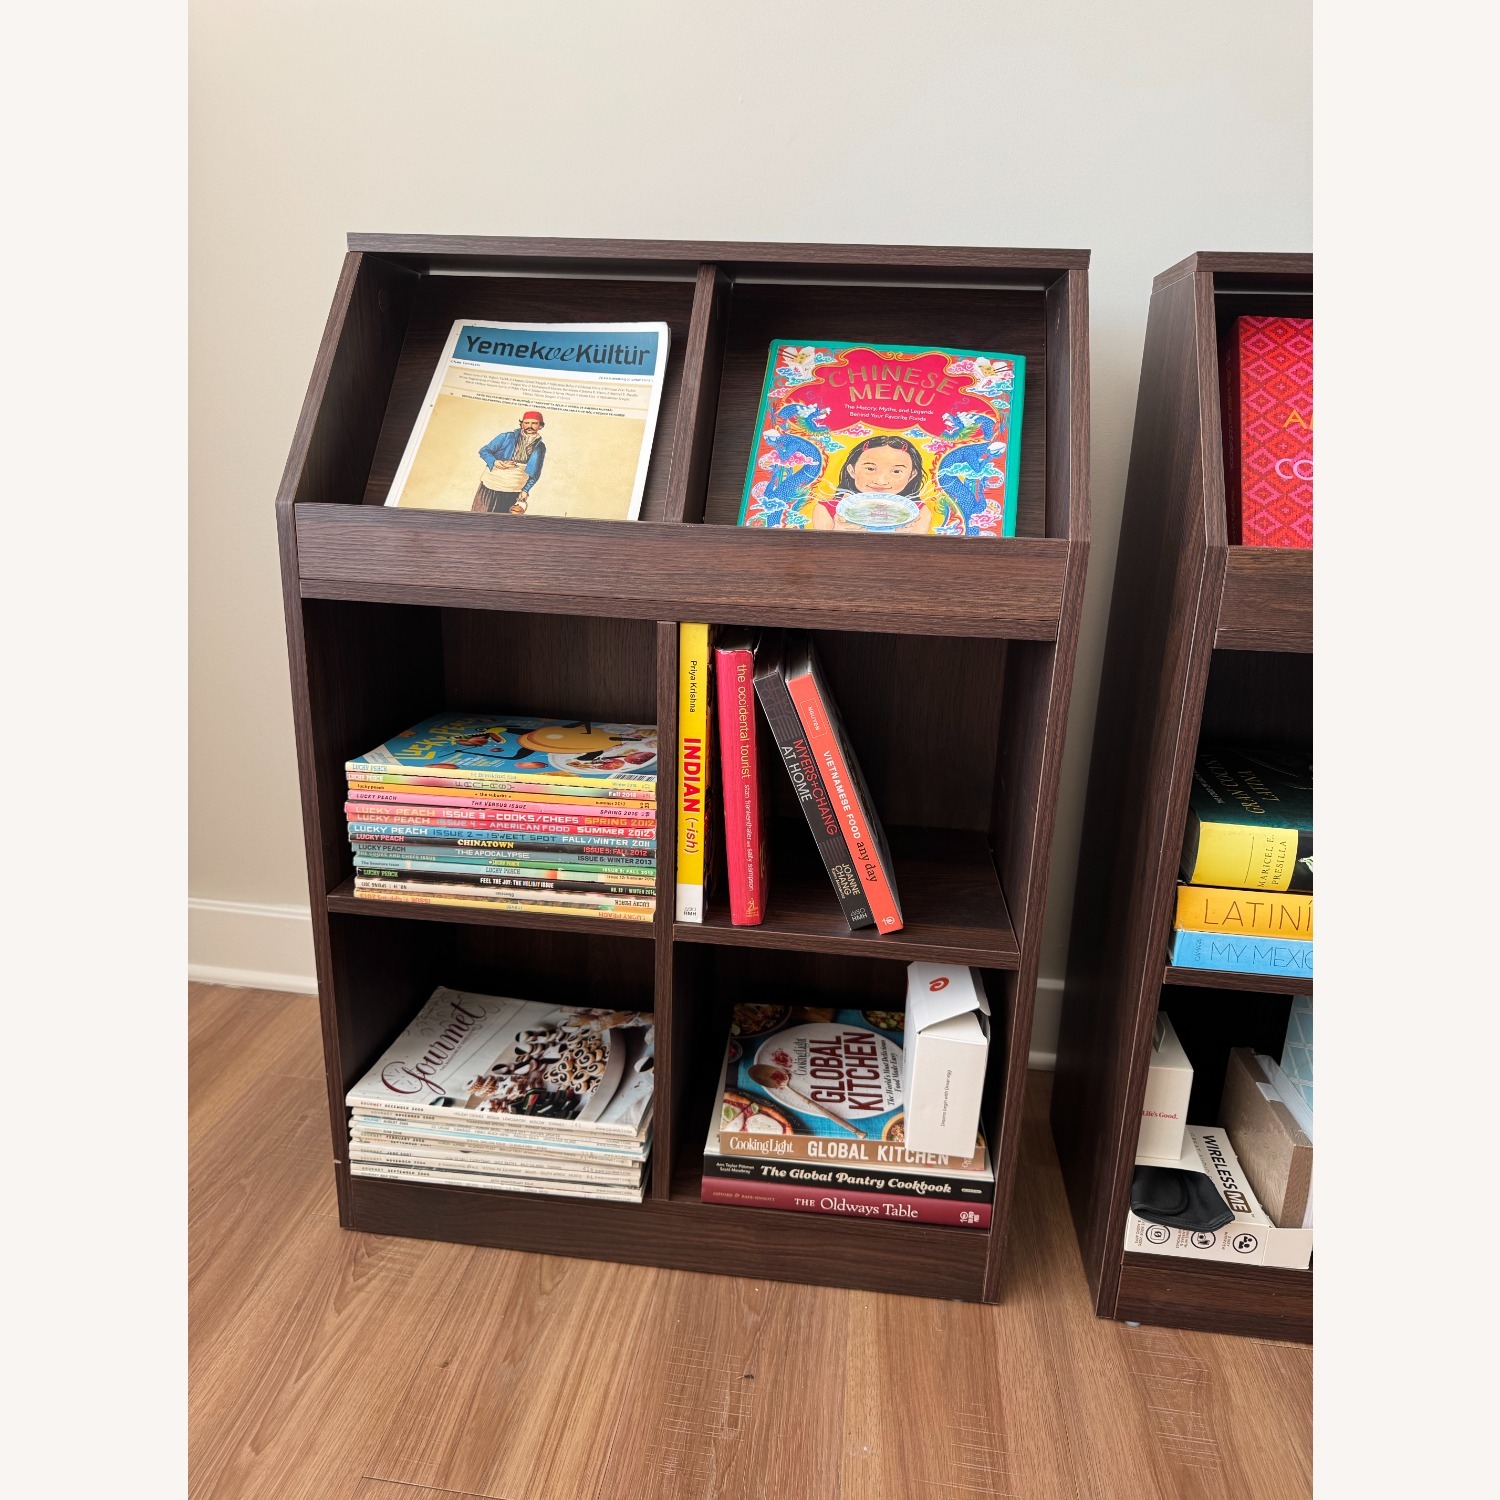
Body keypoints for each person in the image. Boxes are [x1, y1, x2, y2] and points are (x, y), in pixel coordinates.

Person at [812, 434, 929, 531]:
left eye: (896, 471)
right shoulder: (826, 508)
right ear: (852, 470)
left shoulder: (919, 512)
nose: (881, 481)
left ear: (911, 475)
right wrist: (837, 532)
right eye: (870, 469)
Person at [473, 411, 547, 513]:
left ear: (540, 426)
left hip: (514, 489)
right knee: (481, 515)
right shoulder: (506, 437)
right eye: (527, 423)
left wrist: (526, 490)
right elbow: (484, 451)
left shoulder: (540, 447)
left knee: (503, 521)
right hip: (491, 486)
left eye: (534, 423)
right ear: (521, 424)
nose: (530, 426)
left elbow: (535, 472)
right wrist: (495, 462)